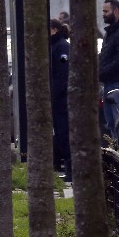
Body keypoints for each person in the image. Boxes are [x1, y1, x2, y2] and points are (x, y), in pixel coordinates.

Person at [99, 0, 119, 143]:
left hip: (118, 83)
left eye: (106, 11)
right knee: (110, 124)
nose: (103, 14)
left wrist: (102, 72)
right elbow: (105, 55)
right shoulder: (110, 32)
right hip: (110, 82)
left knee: (117, 124)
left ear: (115, 11)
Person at [49, 19, 71, 182]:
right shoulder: (55, 46)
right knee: (60, 133)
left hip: (61, 99)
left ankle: (70, 171)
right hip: (57, 98)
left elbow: (63, 73)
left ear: (54, 30)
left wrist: (55, 93)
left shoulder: (62, 47)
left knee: (64, 133)